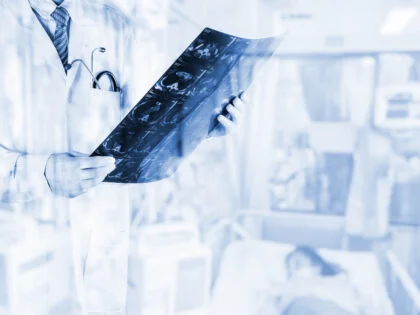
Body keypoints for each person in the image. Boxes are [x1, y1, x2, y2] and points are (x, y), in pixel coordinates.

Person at [0, 0, 245, 313]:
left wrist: (201, 123)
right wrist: (41, 172)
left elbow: (142, 126)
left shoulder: (115, 24)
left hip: (101, 242)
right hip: (22, 242)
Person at [273, 246, 364, 315]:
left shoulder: (341, 282)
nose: (292, 271)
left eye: (297, 264)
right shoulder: (285, 289)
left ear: (317, 266)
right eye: (288, 269)